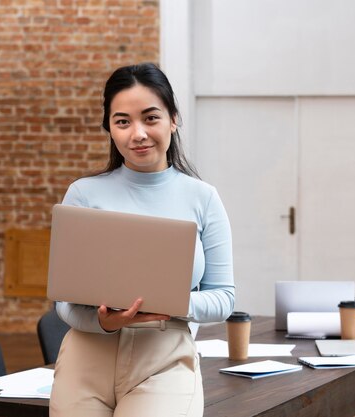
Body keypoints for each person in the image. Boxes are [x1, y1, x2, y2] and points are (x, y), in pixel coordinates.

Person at [50, 63, 235, 417]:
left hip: (163, 354)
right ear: (109, 128)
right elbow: (65, 302)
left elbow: (224, 297)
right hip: (85, 359)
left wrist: (173, 305)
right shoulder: (83, 194)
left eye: (151, 118)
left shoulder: (203, 198)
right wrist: (105, 321)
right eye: (122, 121)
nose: (138, 133)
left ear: (173, 120)